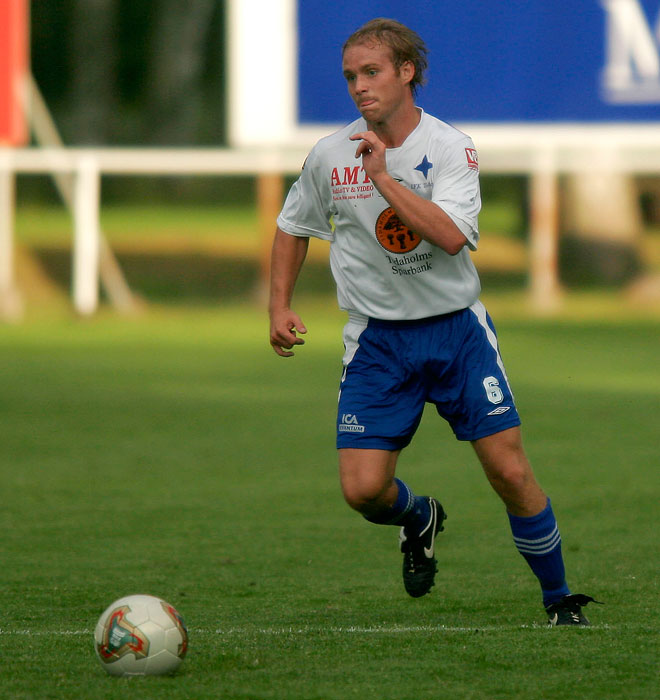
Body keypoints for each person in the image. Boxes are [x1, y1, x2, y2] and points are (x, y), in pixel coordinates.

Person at [269, 18, 600, 626]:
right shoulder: (329, 154)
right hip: (377, 340)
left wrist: (384, 179)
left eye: (371, 72)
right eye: (350, 76)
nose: (358, 87)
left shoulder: (450, 147)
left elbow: (449, 236)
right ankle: (419, 516)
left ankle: (559, 599)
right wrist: (279, 305)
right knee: (363, 492)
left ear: (406, 72)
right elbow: (294, 225)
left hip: (456, 334)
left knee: (508, 468)